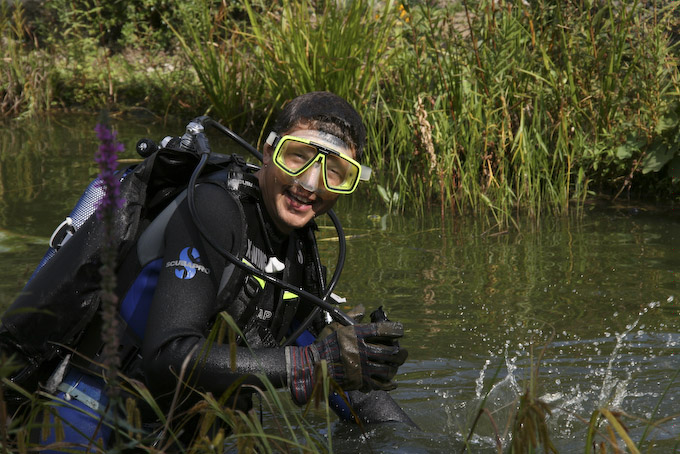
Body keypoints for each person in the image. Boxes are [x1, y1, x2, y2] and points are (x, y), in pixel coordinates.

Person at [7, 91, 412, 452]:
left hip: (182, 429)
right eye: (297, 157)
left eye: (335, 172)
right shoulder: (214, 210)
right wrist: (304, 364)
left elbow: (336, 373)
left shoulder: (298, 253)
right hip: (90, 406)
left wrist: (404, 429)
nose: (309, 183)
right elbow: (168, 358)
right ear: (268, 151)